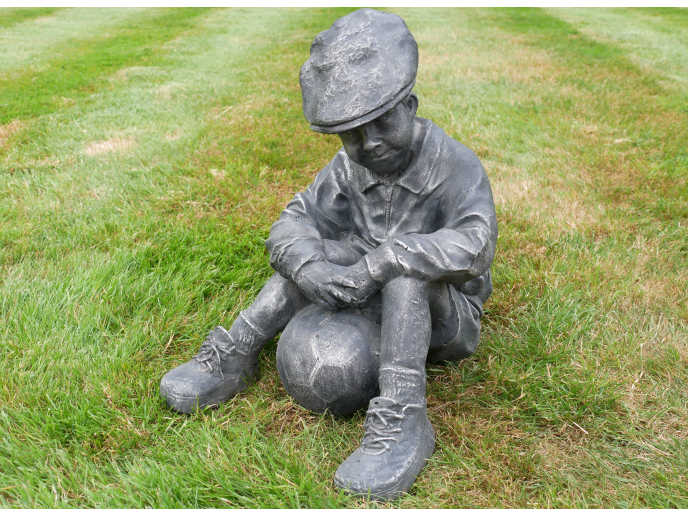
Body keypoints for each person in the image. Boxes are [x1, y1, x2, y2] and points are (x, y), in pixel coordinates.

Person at [160, 8, 497, 500]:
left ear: (412, 105)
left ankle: (403, 415)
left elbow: (474, 245)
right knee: (311, 252)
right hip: (366, 291)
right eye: (353, 134)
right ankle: (235, 354)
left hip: (442, 314)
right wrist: (309, 265)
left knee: (406, 271)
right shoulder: (346, 168)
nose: (370, 143)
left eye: (382, 123)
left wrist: (382, 262)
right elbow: (294, 220)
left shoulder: (455, 165)